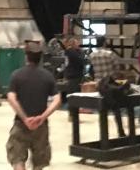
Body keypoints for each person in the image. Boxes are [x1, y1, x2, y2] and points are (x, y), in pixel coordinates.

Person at [6, 42, 62, 170]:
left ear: (26, 56)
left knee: (17, 159)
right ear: (40, 57)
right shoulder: (48, 76)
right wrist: (42, 117)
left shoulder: (17, 75)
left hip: (21, 124)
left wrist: (25, 118)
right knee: (39, 163)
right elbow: (57, 100)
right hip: (41, 126)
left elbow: (11, 98)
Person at [89, 36, 126, 137]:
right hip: (110, 85)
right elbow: (117, 69)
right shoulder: (110, 54)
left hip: (99, 86)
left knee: (102, 110)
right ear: (104, 43)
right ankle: (121, 131)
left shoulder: (92, 55)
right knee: (116, 108)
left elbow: (92, 70)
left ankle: (104, 133)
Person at [61, 38, 85, 118]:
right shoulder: (71, 52)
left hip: (72, 76)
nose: (79, 45)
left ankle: (73, 114)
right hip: (73, 76)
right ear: (73, 44)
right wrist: (81, 52)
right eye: (77, 43)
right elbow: (80, 61)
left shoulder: (69, 52)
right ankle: (73, 115)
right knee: (74, 96)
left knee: (73, 95)